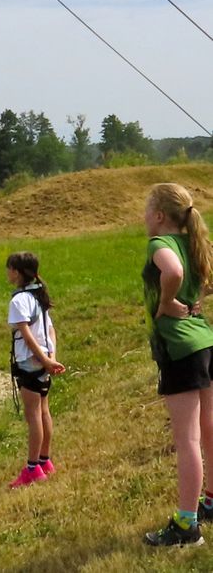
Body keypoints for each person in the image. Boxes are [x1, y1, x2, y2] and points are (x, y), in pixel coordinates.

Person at [142, 183, 213, 547]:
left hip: (180, 347)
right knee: (209, 427)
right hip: (205, 341)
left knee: (188, 439)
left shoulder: (161, 245)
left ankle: (187, 526)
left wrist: (167, 302)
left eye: (145, 209)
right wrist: (197, 301)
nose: (142, 217)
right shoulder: (194, 241)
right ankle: (211, 502)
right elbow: (207, 276)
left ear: (158, 215)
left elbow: (171, 272)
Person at [6, 251, 65, 488]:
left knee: (33, 417)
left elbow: (28, 337)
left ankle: (32, 468)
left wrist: (44, 359)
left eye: (9, 268)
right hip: (44, 361)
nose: (7, 273)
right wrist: (51, 358)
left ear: (17, 272)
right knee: (43, 411)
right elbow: (50, 330)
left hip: (30, 361)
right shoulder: (38, 296)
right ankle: (45, 460)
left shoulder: (19, 300)